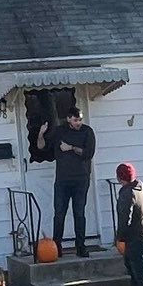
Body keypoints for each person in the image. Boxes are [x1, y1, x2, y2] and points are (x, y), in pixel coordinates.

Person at [48, 99, 99, 256]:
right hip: (62, 180)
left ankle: (81, 246)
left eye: (80, 119)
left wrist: (70, 148)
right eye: (76, 120)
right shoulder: (60, 131)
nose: (79, 123)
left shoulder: (87, 132)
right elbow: (45, 148)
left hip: (81, 179)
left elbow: (88, 153)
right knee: (59, 213)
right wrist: (41, 134)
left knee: (79, 212)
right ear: (69, 118)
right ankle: (56, 247)